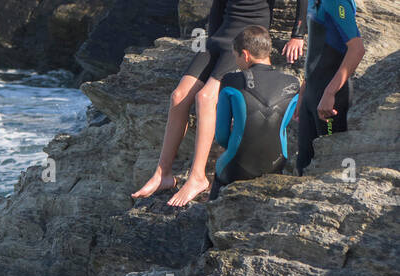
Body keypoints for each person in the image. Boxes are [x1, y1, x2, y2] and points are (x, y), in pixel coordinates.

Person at [131, 0, 305, 206]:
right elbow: (217, 6)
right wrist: (211, 38)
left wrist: (297, 36)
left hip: (246, 39)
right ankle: (163, 174)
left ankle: (198, 177)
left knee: (205, 97)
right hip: (220, 37)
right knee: (178, 96)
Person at [211, 26, 302, 198]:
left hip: (235, 167)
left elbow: (222, 136)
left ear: (245, 55)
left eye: (235, 56)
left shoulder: (231, 81)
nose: (236, 61)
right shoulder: (293, 83)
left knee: (221, 169)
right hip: (275, 165)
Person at [296, 0, 364, 175]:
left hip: (331, 99)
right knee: (303, 165)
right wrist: (303, 92)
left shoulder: (337, 2)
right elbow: (316, 52)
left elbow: (357, 49)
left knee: (333, 168)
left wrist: (330, 92)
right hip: (312, 94)